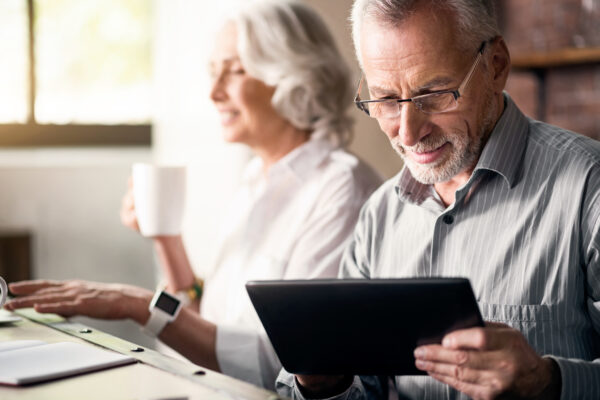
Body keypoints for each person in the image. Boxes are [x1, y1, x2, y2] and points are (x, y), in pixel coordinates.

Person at [5, 0, 381, 391]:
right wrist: (166, 238)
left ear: (295, 76)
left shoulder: (342, 190)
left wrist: (136, 304)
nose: (214, 92)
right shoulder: (256, 178)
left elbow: (287, 366)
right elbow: (210, 325)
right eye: (213, 72)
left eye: (235, 71)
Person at [275, 0, 600, 399]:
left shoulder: (589, 188)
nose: (408, 133)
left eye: (434, 94)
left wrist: (548, 381)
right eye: (386, 100)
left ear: (496, 65)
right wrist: (325, 384)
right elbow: (367, 388)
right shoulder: (379, 216)